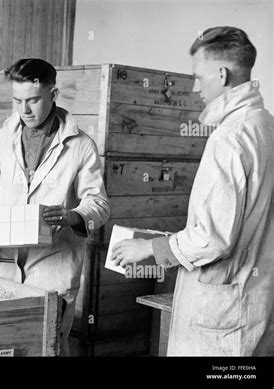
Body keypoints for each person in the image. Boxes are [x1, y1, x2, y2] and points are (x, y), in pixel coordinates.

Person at [109, 26, 274, 356]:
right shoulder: (265, 125)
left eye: (199, 77)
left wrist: (149, 249)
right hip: (254, 302)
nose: (196, 87)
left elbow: (213, 239)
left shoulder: (229, 138)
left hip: (221, 319)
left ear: (222, 74)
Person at [0, 58, 110, 355]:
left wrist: (75, 215)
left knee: (48, 346)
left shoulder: (80, 145)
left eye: (33, 100)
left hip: (52, 267)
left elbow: (98, 202)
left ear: (53, 95)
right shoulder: (3, 137)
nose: (25, 110)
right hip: (6, 266)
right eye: (17, 100)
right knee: (7, 345)